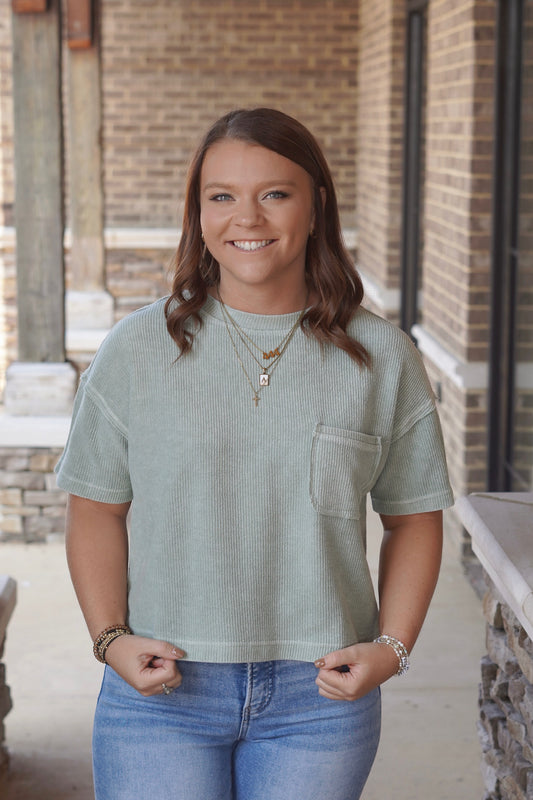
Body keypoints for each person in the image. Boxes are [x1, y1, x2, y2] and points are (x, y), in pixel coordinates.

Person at [56, 107, 454, 800]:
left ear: (315, 204)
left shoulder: (382, 358)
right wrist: (110, 637)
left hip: (320, 698)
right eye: (221, 196)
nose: (247, 217)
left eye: (273, 193)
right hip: (161, 693)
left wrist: (390, 649)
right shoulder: (136, 351)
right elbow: (94, 508)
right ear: (198, 212)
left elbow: (413, 519)